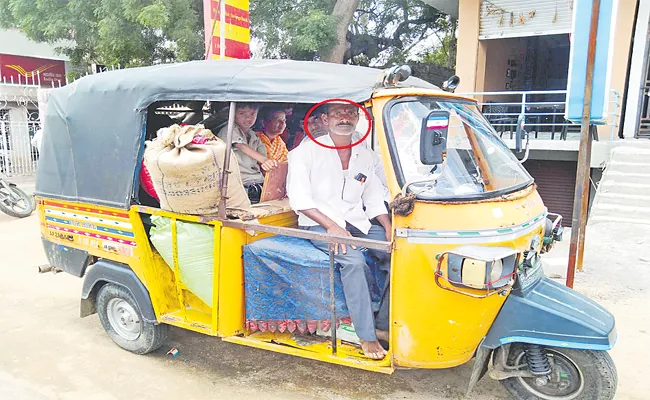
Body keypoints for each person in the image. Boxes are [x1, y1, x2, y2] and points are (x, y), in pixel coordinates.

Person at [286, 103, 392, 360]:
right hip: (319, 224)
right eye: (338, 114)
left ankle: (384, 324)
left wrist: (388, 227)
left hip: (356, 222)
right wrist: (331, 227)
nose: (345, 118)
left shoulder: (363, 153)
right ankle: (366, 336)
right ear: (325, 119)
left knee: (399, 254)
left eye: (350, 114)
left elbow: (373, 194)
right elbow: (299, 199)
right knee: (354, 262)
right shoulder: (305, 152)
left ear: (357, 118)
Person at [217, 103, 278, 204]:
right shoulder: (229, 130)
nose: (248, 118)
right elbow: (241, 146)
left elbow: (263, 156)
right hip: (241, 184)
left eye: (252, 114)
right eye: (242, 113)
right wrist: (264, 160)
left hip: (258, 181)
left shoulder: (253, 135)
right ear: (232, 114)